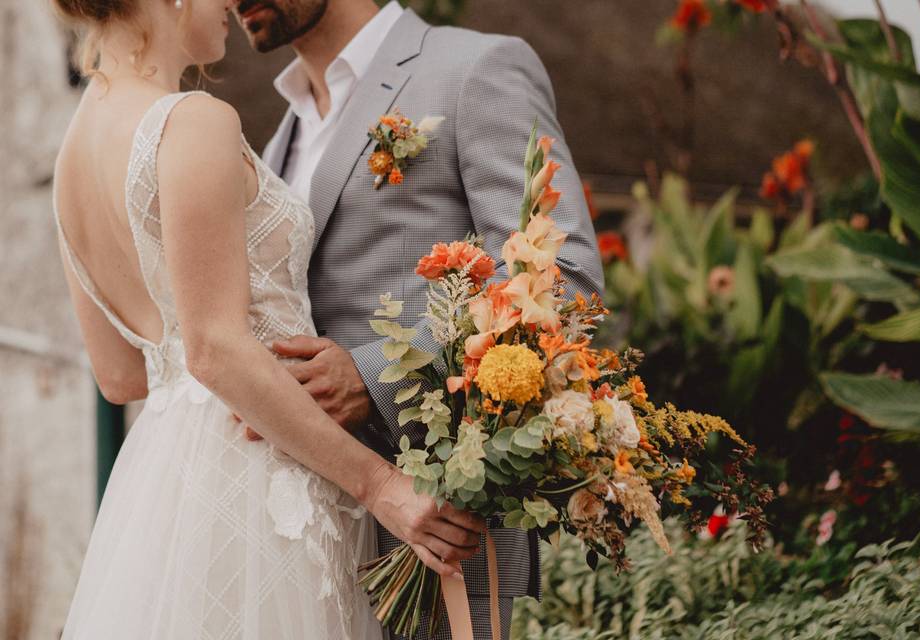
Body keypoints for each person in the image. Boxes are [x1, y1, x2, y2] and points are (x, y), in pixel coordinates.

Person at [51, 1, 485, 638]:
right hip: (257, 475)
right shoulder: (191, 121)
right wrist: (381, 486)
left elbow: (121, 376)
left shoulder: (68, 159)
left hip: (164, 483)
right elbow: (216, 350)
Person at [234, 1, 604, 637]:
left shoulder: (475, 69)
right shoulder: (281, 134)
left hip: (437, 534)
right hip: (309, 541)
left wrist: (372, 376)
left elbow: (563, 284)